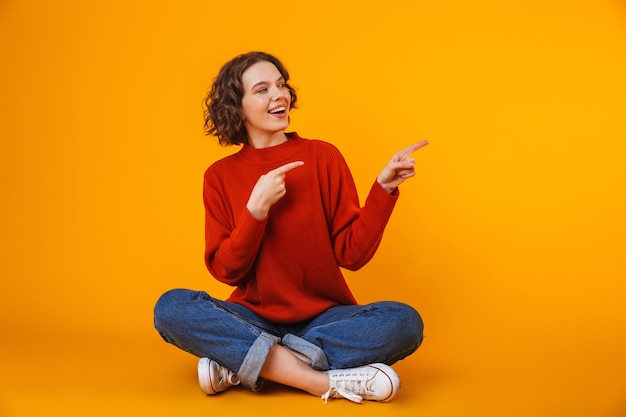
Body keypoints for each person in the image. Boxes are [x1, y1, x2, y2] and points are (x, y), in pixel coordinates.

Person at [153, 51, 428, 404]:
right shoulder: (219, 177)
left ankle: (244, 364)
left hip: (325, 321)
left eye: (281, 85)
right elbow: (226, 270)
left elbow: (352, 254)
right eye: (262, 89)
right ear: (237, 107)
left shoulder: (323, 157)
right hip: (252, 316)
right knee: (170, 307)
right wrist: (256, 211)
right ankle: (319, 382)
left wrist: (384, 189)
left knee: (403, 322)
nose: (279, 95)